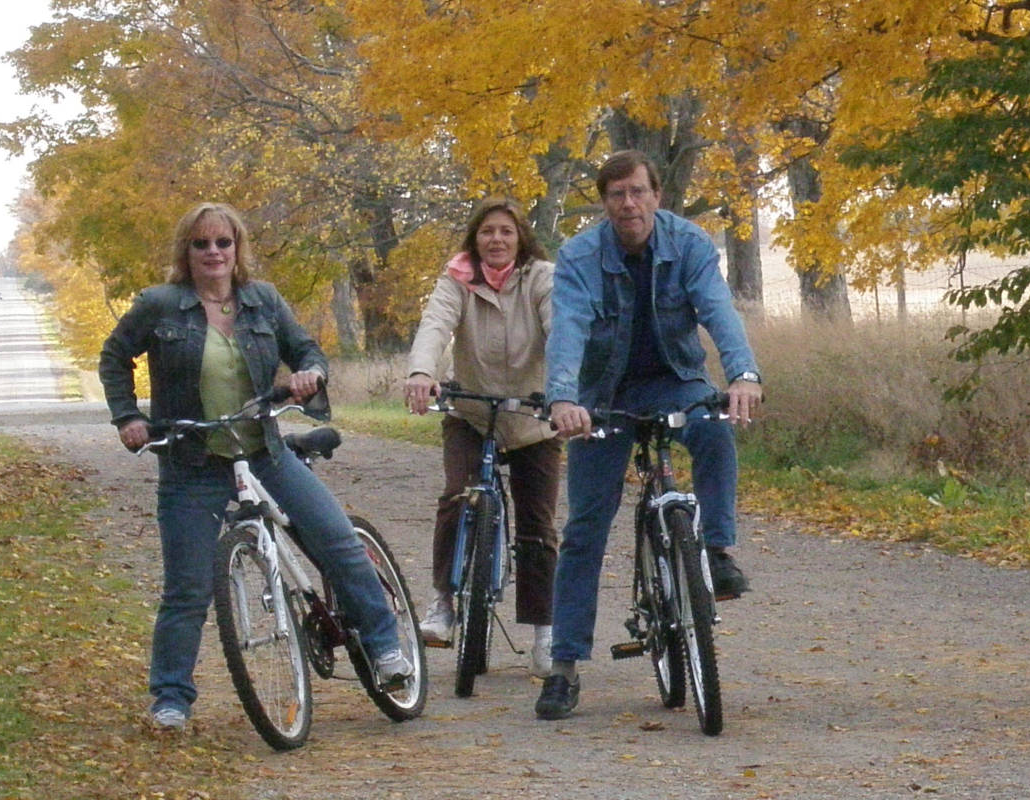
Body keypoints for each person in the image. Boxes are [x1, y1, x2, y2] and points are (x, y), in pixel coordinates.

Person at [99, 201, 413, 731]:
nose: (213, 253)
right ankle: (171, 698)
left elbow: (307, 350)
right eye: (201, 244)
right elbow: (113, 357)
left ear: (237, 248)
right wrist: (128, 417)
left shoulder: (262, 301)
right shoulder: (159, 306)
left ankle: (385, 649)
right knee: (187, 588)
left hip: (265, 451)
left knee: (338, 542)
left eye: (223, 242)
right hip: (191, 461)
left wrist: (308, 374)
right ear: (187, 252)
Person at [534, 150, 763, 720]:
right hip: (600, 398)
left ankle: (715, 551)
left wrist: (743, 375)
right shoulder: (581, 255)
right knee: (586, 524)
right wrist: (563, 397)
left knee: (714, 432)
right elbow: (569, 327)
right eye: (616, 195)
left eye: (638, 192)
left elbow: (717, 311)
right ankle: (563, 667)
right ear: (605, 202)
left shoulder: (688, 245)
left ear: (656, 196)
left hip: (673, 380)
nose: (628, 204)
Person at [403, 197, 562, 679]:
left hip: (533, 416)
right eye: (487, 231)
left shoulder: (542, 278)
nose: (496, 240)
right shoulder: (457, 279)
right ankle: (444, 603)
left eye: (506, 232)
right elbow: (435, 325)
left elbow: (560, 331)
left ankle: (544, 632)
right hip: (471, 410)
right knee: (457, 495)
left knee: (538, 524)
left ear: (521, 239)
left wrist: (564, 391)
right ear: (475, 238)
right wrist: (421, 371)